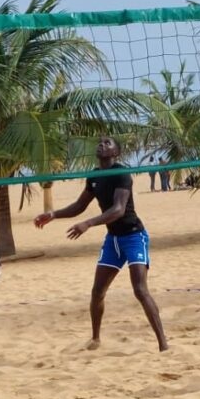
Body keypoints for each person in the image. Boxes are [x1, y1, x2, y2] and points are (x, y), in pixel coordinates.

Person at [34, 136, 168, 352]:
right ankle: (96, 339)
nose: (102, 144)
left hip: (134, 236)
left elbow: (118, 209)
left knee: (140, 290)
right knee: (97, 292)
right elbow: (79, 205)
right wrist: (53, 214)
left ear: (116, 152)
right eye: (101, 142)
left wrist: (88, 223)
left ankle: (163, 344)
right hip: (113, 240)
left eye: (108, 143)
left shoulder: (121, 173)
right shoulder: (95, 176)